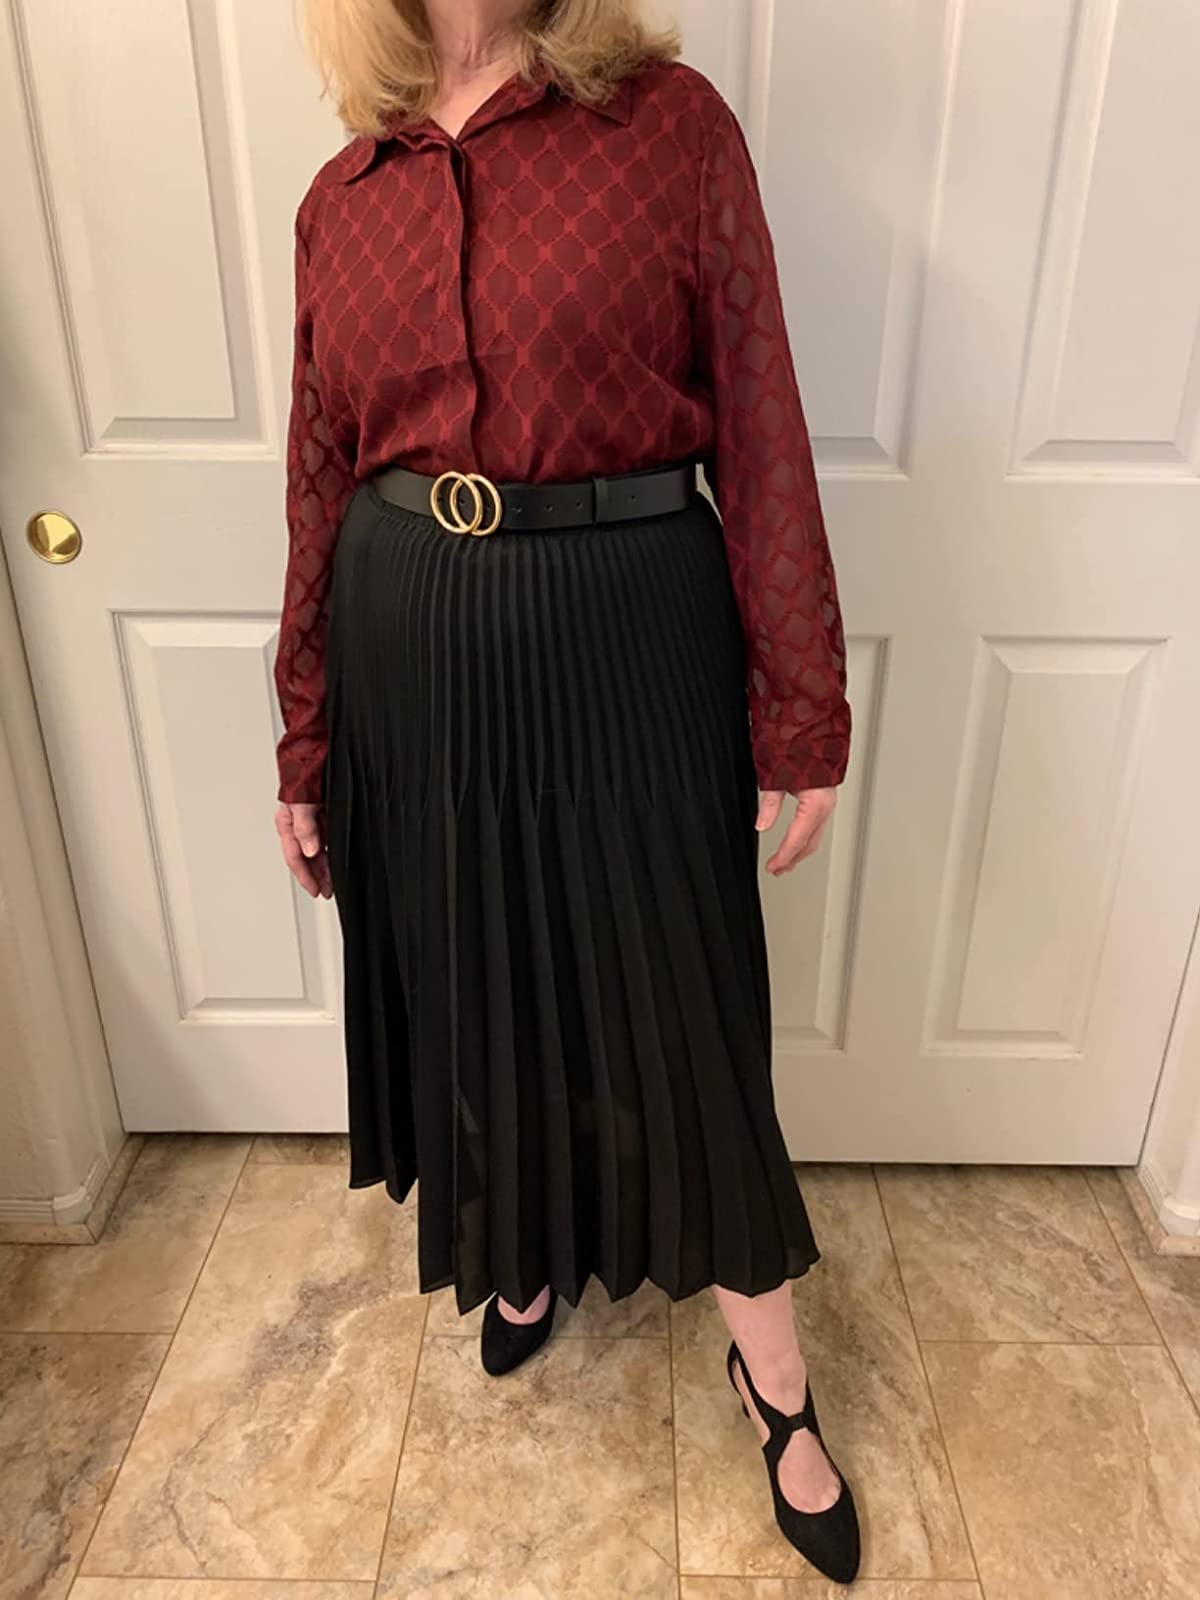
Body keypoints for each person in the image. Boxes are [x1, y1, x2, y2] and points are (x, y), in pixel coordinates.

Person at [272, 0, 858, 1581]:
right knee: (474, 981)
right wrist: (302, 735)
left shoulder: (667, 127)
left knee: (682, 1009)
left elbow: (762, 423)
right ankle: (519, 1242)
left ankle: (773, 1377)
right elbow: (317, 476)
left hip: (629, 631)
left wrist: (803, 708)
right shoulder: (345, 196)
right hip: (411, 646)